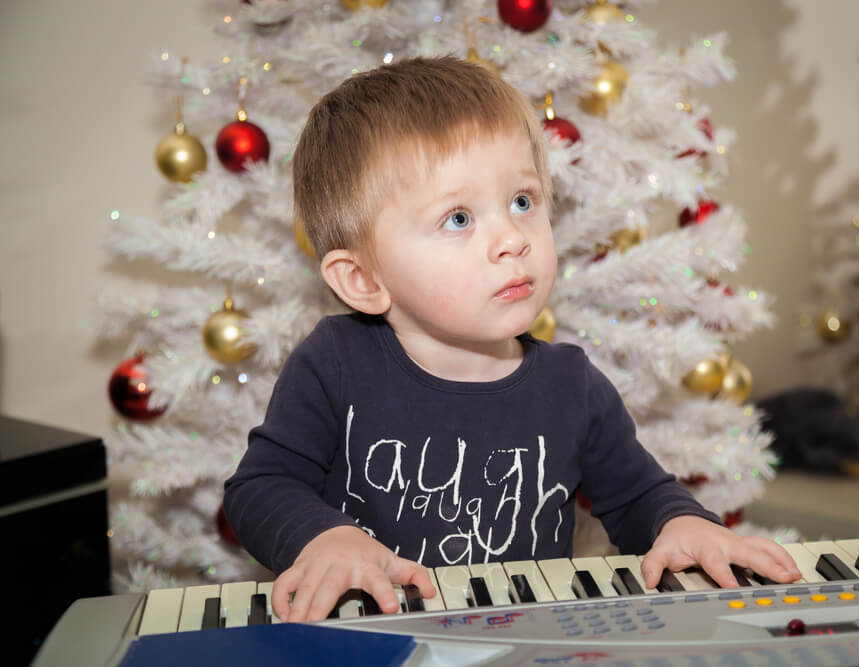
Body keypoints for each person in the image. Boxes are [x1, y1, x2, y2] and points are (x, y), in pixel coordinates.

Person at [223, 55, 800, 624]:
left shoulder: (571, 385)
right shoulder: (336, 363)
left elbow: (639, 495)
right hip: (372, 637)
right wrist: (324, 539)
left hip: (532, 640)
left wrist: (683, 524)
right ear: (363, 280)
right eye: (458, 218)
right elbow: (260, 486)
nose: (511, 238)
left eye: (522, 201)